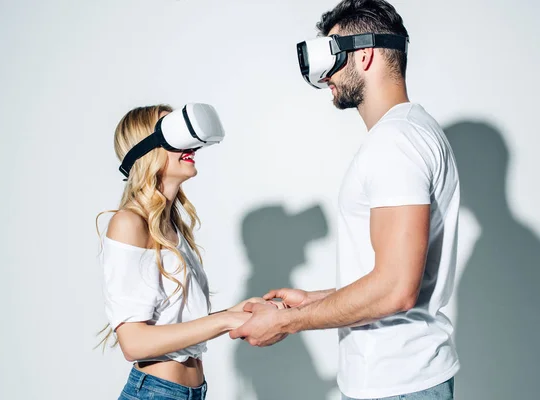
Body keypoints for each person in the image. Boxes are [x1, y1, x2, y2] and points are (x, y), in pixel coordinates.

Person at [230, 1, 460, 399]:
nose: (324, 76)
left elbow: (396, 289)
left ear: (365, 54)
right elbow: (395, 278)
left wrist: (287, 323)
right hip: (404, 380)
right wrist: (312, 302)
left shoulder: (396, 143)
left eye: (332, 54)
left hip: (396, 384)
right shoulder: (410, 131)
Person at [97, 104, 274, 400]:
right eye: (174, 132)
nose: (189, 144)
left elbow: (174, 325)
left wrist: (234, 312)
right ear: (148, 147)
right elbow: (134, 343)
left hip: (188, 393)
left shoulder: (169, 225)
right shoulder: (129, 223)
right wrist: (225, 321)